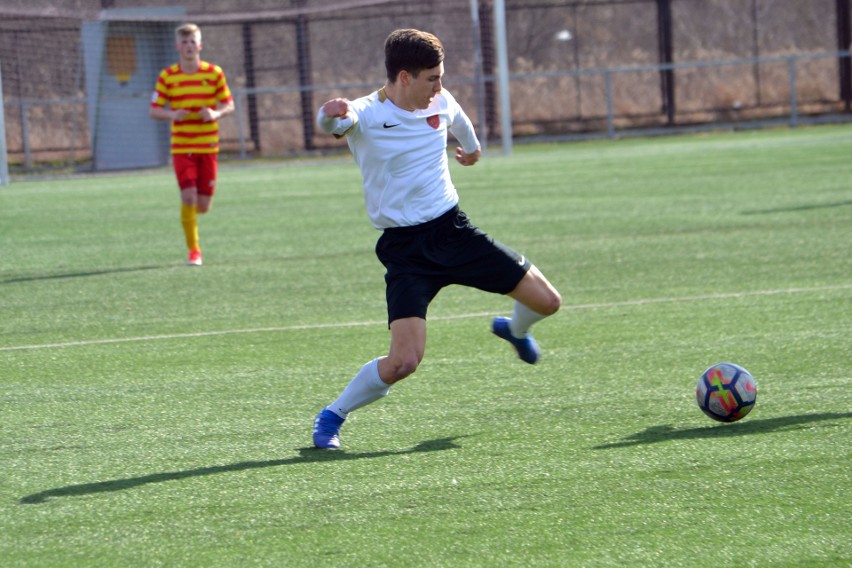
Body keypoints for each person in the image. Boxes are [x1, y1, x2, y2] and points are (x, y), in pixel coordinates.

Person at [312, 29, 561, 449]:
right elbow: (334, 123)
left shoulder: (440, 101)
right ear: (404, 77)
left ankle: (515, 331)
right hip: (407, 252)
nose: (440, 87)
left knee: (548, 302)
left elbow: (458, 120)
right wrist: (326, 112)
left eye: (442, 77)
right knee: (404, 362)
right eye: (433, 78)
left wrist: (474, 149)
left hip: (454, 232)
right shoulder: (366, 113)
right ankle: (332, 416)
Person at [149, 23, 234, 266]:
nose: (189, 46)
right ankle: (194, 250)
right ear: (178, 46)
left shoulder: (214, 73)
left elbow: (229, 104)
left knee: (203, 206)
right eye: (184, 42)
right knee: (188, 198)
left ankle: (188, 219)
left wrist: (216, 114)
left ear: (200, 45)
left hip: (208, 147)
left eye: (192, 42)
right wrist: (172, 115)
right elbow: (154, 110)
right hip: (182, 147)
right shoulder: (168, 76)